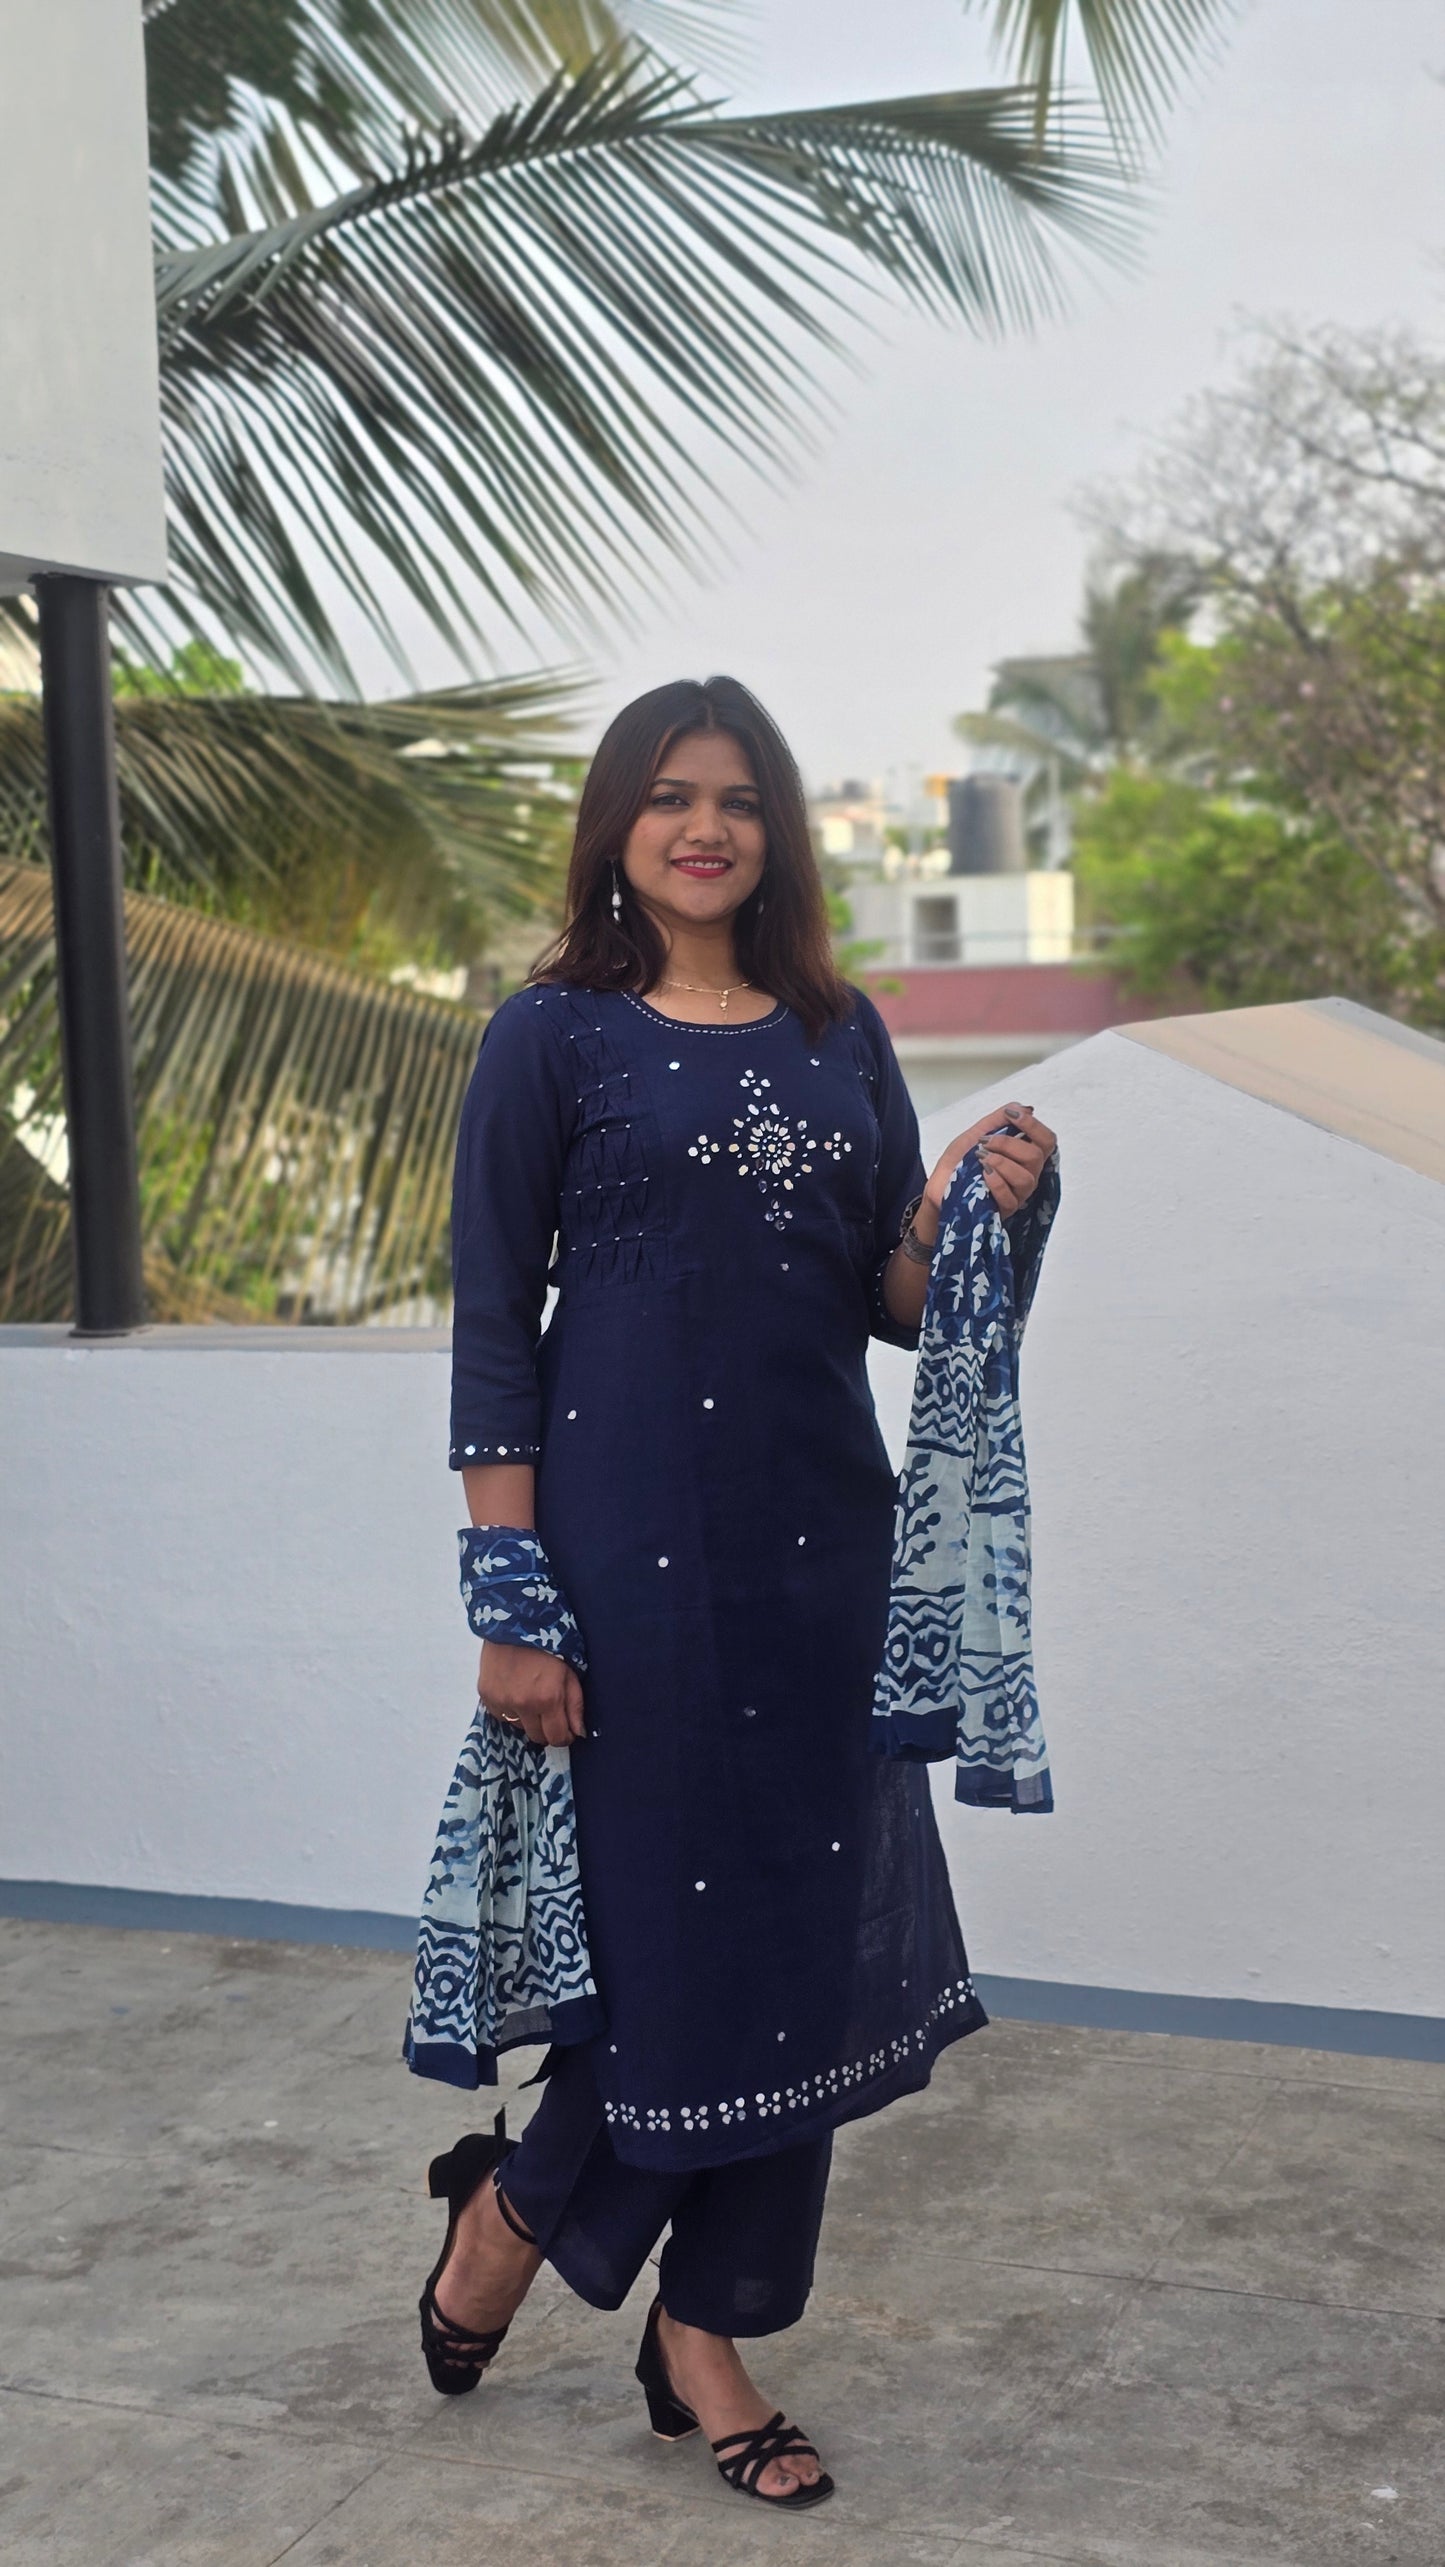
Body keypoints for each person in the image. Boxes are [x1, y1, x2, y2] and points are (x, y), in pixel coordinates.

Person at [415, 676, 1055, 2508]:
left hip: (819, 1562)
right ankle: (522, 2219)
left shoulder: (839, 1033)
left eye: (739, 801)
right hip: (626, 1566)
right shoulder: (552, 1038)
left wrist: (991, 1214)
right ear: (617, 824)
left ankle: (693, 2318)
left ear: (777, 830)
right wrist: (510, 1592)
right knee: (672, 1946)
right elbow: (488, 1324)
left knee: (799, 1953)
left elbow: (895, 1299)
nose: (705, 827)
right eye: (669, 796)